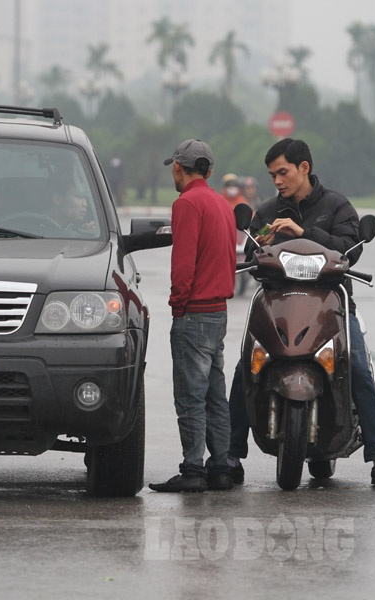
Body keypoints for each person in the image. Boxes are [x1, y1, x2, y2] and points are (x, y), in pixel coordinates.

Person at [227, 138, 375, 487]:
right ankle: (230, 455)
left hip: (331, 306)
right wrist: (261, 245)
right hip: (279, 307)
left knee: (357, 367)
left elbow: (350, 250)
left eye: (283, 173)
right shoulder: (267, 212)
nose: (277, 181)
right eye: (272, 176)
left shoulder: (336, 206)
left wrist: (304, 233)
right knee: (246, 366)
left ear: (304, 168)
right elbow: (251, 254)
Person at [149, 139, 237, 493]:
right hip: (218, 312)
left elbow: (183, 264)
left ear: (177, 167)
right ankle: (221, 468)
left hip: (194, 313)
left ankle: (192, 470)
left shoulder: (186, 203)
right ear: (209, 171)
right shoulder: (222, 204)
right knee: (216, 396)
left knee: (190, 396)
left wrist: (177, 305)